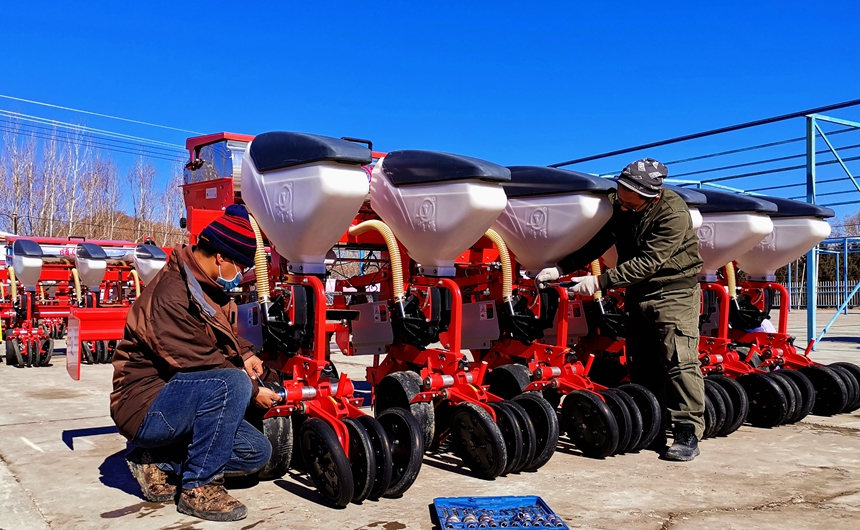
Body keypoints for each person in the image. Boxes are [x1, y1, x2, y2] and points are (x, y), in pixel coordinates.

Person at [110, 204, 281, 521]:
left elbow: (221, 335)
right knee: (232, 383)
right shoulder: (172, 293)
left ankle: (156, 459)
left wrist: (246, 354)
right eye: (241, 267)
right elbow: (204, 364)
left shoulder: (208, 287)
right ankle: (199, 489)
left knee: (256, 452)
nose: (242, 275)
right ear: (221, 258)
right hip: (146, 404)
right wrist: (251, 389)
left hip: (182, 399)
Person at [535, 158, 706, 461]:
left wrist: (599, 282)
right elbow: (599, 241)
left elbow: (648, 263)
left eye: (631, 205)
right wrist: (561, 268)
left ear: (651, 196)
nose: (623, 207)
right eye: (621, 198)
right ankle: (651, 424)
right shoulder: (621, 203)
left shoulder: (673, 213)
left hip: (674, 293)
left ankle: (687, 433)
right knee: (641, 363)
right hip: (638, 293)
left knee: (679, 361)